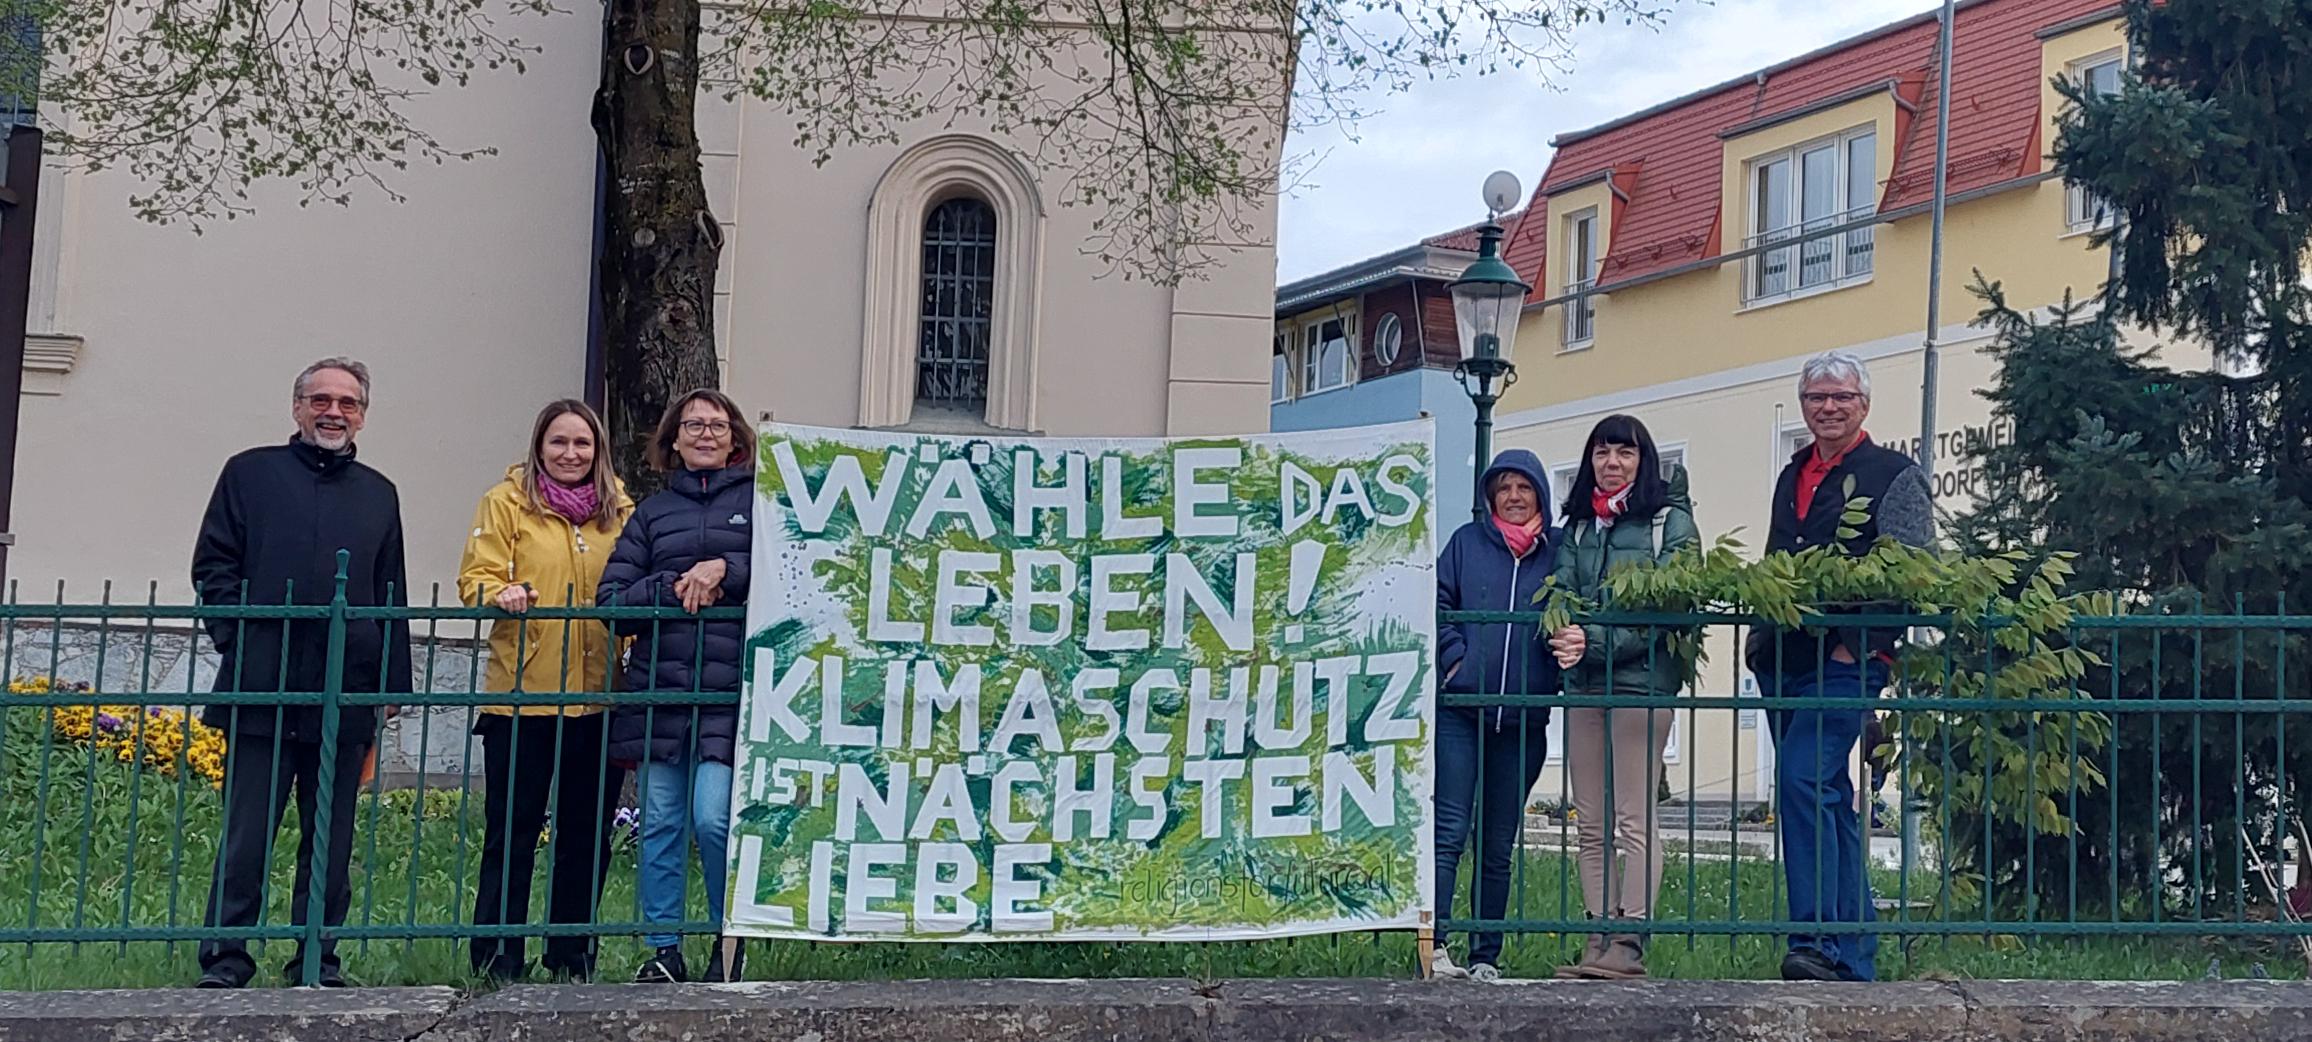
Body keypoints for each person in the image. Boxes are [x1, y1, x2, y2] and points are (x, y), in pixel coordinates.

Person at [192, 358, 412, 989]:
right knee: (247, 837)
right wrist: (239, 640)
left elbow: (390, 590)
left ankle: (317, 958)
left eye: (347, 403)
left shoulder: (379, 493)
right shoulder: (249, 473)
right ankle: (226, 956)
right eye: (320, 400)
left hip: (346, 690)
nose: (333, 412)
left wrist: (391, 686)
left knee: (330, 844)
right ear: (297, 408)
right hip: (262, 684)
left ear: (362, 416)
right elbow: (213, 565)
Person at [1746, 350, 1931, 982]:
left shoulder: (1895, 475)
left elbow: (1913, 570)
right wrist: (1760, 637)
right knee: (1826, 795)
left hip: (1849, 658)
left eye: (1840, 397)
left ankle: (1816, 943)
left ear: (1864, 405)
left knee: (1802, 780)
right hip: (1784, 657)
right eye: (1816, 397)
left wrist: (1862, 644)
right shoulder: (1791, 473)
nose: (1828, 407)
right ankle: (1854, 959)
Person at [457, 399, 636, 982]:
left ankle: (571, 957)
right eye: (558, 442)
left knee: (585, 836)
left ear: (598, 450)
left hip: (597, 696)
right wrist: (500, 592)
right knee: (512, 833)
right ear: (539, 447)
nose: (570, 454)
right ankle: (497, 959)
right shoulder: (505, 502)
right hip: (522, 697)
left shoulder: (621, 510)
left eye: (582, 443)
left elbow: (635, 582)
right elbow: (475, 578)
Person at [602, 389, 754, 984]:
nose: (705, 434)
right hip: (661, 693)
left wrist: (726, 571)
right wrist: (672, 584)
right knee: (661, 823)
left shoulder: (762, 502)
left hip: (731, 694)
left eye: (717, 425)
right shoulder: (651, 514)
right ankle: (663, 948)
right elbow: (612, 603)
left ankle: (728, 942)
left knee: (714, 819)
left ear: (735, 438)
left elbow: (792, 578)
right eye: (693, 425)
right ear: (674, 440)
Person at [1547, 414, 1698, 980]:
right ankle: (1597, 936)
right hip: (1585, 684)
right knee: (1590, 820)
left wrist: (1593, 641)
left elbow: (1669, 607)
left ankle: (1630, 940)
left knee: (1634, 818)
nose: (1612, 463)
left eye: (1625, 453)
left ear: (1644, 461)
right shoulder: (1579, 526)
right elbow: (1560, 591)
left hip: (1641, 685)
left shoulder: (1669, 522)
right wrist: (1563, 632)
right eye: (1602, 453)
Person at [1431, 448, 1584, 982]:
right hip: (1461, 712)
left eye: (1524, 487)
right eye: (1504, 488)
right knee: (1449, 831)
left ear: (1540, 494)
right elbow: (1438, 604)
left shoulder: (1559, 552)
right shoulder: (1466, 544)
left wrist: (1555, 669)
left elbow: (1576, 611)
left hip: (1523, 720)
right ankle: (1434, 946)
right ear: (1490, 496)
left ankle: (1484, 955)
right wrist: (1455, 660)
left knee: (1497, 842)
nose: (1514, 497)